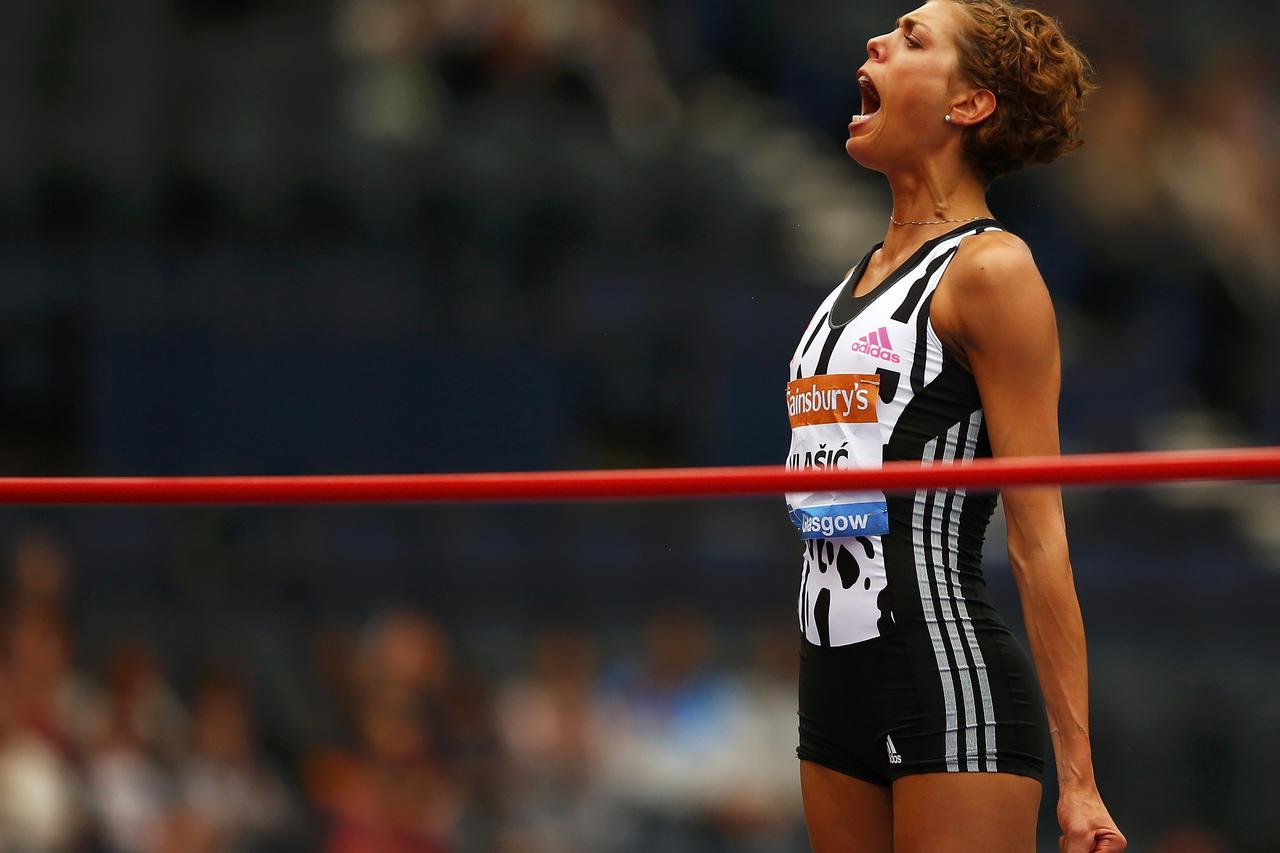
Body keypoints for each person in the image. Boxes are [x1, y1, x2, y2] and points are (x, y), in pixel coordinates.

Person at [783, 1, 1126, 851]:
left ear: (968, 104)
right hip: (828, 687)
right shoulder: (851, 284)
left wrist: (1079, 781)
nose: (876, 40)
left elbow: (1039, 535)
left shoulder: (991, 271)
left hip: (947, 679)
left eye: (912, 38)